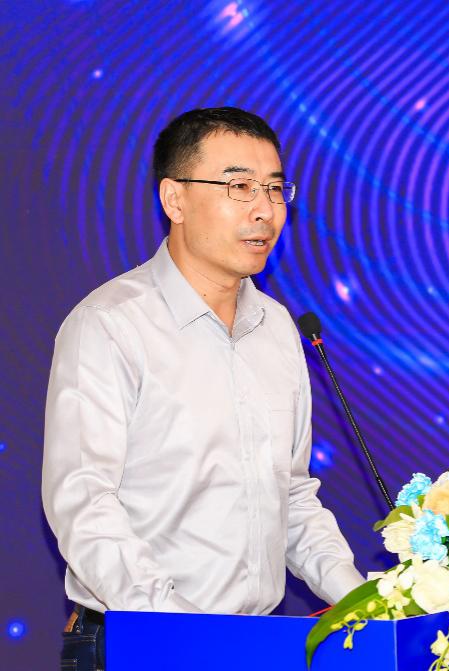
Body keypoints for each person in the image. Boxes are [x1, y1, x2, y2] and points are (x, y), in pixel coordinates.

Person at [41, 107, 365, 671]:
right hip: (143, 643)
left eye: (274, 189)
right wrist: (186, 634)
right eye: (239, 187)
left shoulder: (278, 328)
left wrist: (365, 603)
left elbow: (291, 497)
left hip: (254, 647)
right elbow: (84, 504)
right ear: (175, 199)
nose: (264, 210)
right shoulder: (111, 325)